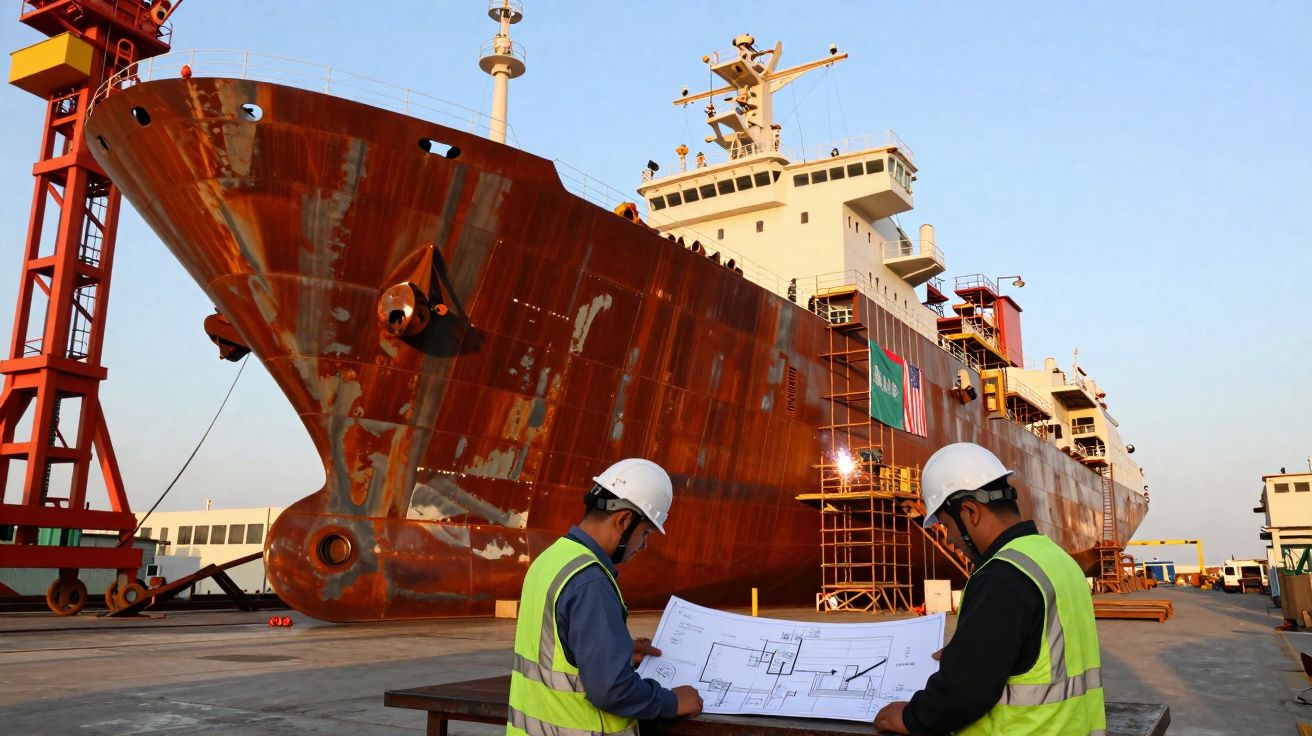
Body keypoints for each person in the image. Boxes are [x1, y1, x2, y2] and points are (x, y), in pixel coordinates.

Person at [873, 443, 1105, 735]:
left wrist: (912, 717)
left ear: (970, 512)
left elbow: (965, 693)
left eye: (946, 526)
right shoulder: (1058, 560)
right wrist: (972, 647)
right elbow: (1040, 647)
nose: (950, 539)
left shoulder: (1002, 575)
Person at [507, 458, 703, 736]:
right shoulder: (591, 580)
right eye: (645, 532)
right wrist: (672, 701)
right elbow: (612, 690)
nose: (644, 545)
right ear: (624, 520)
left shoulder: (551, 560)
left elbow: (554, 648)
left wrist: (614, 649)